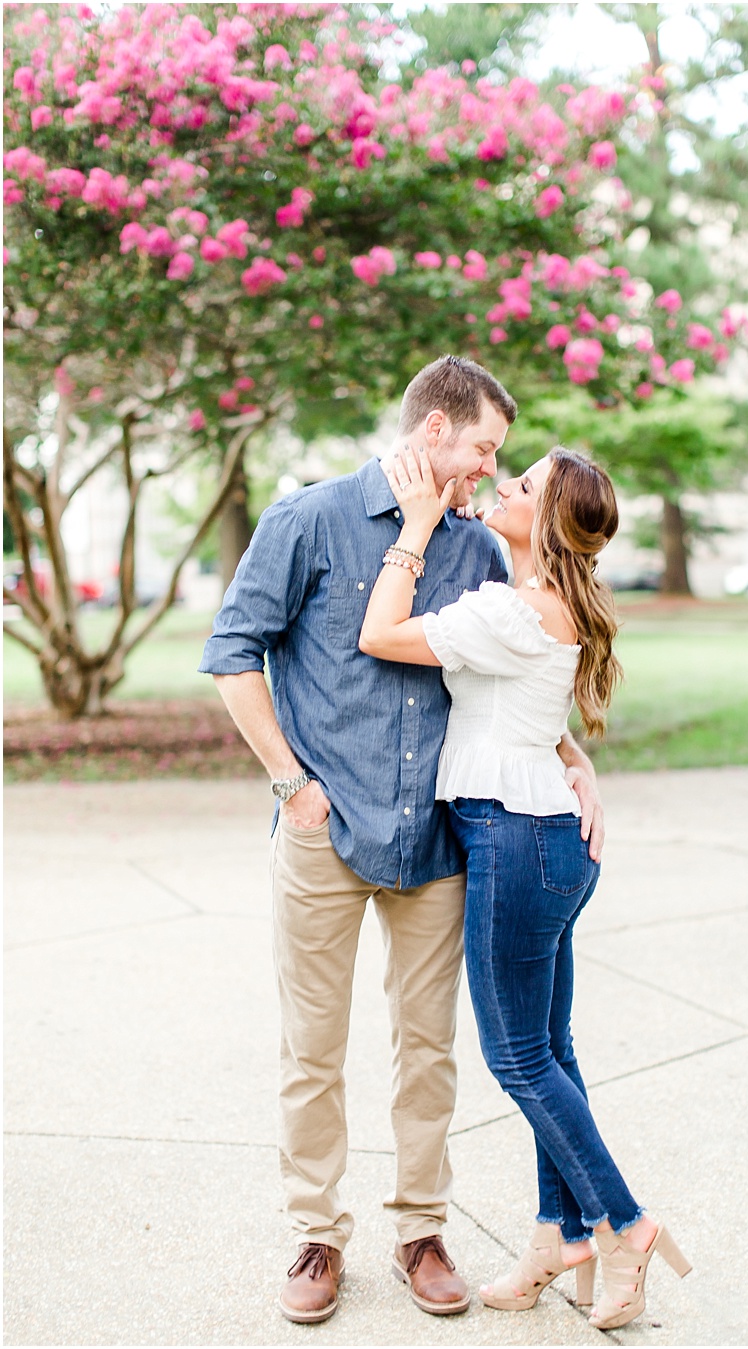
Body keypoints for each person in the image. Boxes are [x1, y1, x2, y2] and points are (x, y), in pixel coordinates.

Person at [201, 355, 604, 1325]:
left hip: (440, 840)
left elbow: (518, 656)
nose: (485, 469)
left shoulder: (474, 544)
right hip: (323, 831)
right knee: (313, 1047)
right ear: (435, 431)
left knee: (429, 1050)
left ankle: (423, 1228)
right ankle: (316, 1233)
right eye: (483, 448)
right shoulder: (308, 518)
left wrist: (571, 754)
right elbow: (231, 652)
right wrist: (292, 784)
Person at [358, 443, 690, 1333]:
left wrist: (418, 531)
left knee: (518, 1059)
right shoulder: (541, 604)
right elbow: (532, 719)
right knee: (553, 1052)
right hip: (544, 840)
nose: (507, 483)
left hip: (514, 841)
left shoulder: (512, 608)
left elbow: (380, 633)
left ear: (544, 518)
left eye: (527, 481)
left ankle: (627, 1223)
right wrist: (575, 759)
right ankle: (559, 1233)